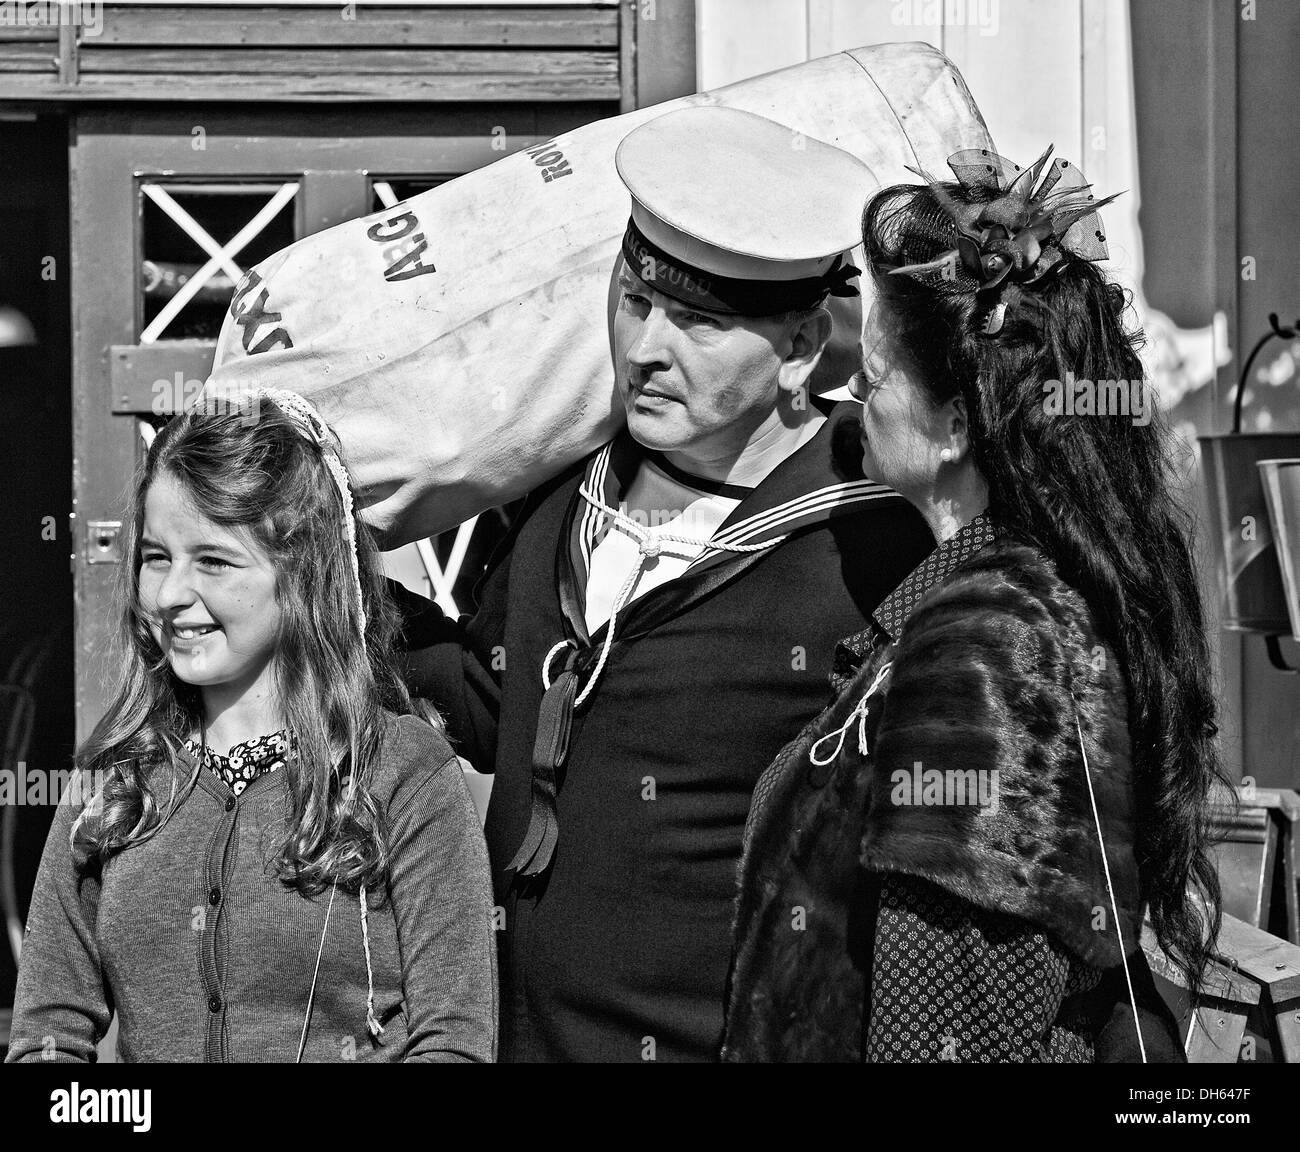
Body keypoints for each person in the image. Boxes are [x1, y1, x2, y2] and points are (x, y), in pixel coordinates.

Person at [397, 106, 936, 1061]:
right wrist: (332, 590)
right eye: (637, 301)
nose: (647, 347)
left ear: (804, 346)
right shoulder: (562, 499)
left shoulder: (878, 547)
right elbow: (493, 699)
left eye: (697, 321)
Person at [722, 148, 1223, 1062]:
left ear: (958, 421)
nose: (853, 394)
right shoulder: (1002, 600)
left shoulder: (986, 651)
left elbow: (949, 1033)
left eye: (875, 373)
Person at [7, 391, 497, 1063]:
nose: (172, 595)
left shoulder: (404, 774)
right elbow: (46, 1038)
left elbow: (455, 1042)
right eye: (156, 557)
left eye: (212, 561)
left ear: (300, 574)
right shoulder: (118, 779)